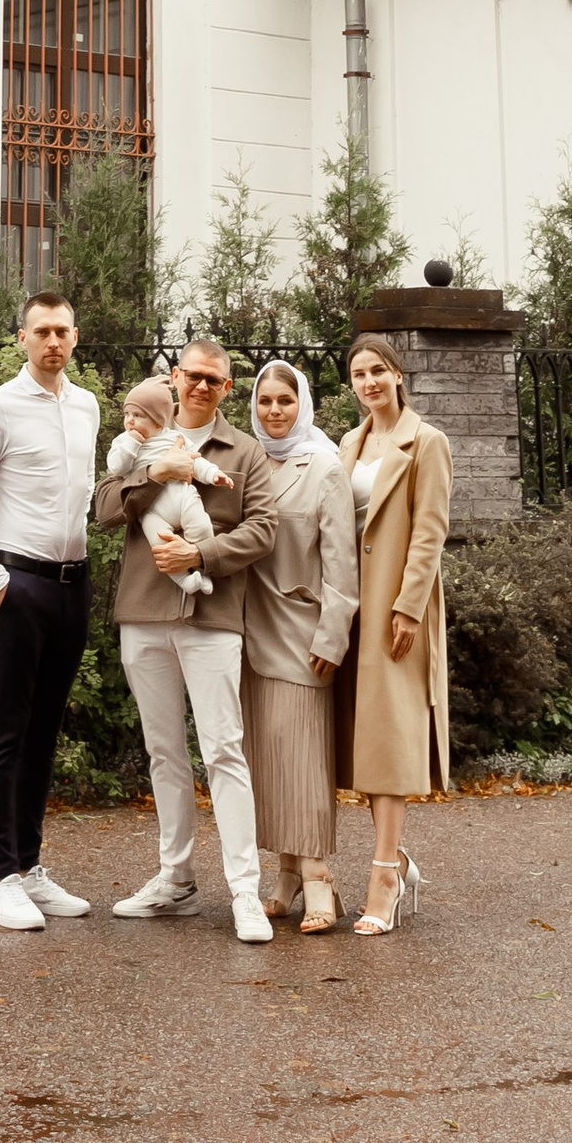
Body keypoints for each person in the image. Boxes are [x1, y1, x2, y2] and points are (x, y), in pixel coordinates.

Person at [94, 336, 279, 943]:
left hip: (212, 618)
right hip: (144, 615)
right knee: (164, 752)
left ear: (227, 388)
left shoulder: (244, 452)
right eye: (193, 375)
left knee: (224, 751)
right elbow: (104, 507)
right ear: (174, 377)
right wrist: (157, 474)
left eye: (213, 380)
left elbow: (264, 530)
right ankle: (175, 881)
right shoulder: (143, 432)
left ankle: (245, 891)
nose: (201, 386)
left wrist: (201, 554)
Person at [0, 285, 102, 933]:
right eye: (42, 332)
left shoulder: (87, 406)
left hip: (73, 586)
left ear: (75, 337)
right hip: (19, 587)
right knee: (5, 733)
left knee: (44, 733)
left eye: (62, 331)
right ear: (22, 339)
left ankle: (30, 866)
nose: (53, 341)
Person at [337, 332, 453, 935]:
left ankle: (384, 874)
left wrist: (408, 607)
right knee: (361, 742)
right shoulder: (348, 443)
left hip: (395, 605)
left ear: (398, 374)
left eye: (378, 370)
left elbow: (431, 530)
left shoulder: (426, 441)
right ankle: (398, 861)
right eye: (359, 374)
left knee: (386, 738)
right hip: (350, 605)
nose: (370, 382)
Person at [237, 359, 357, 933]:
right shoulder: (247, 460)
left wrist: (333, 635)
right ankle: (285, 876)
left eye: (285, 400)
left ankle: (318, 877)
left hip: (303, 631)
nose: (274, 411)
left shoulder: (324, 466)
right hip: (247, 629)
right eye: (265, 401)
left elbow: (341, 560)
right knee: (270, 760)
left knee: (304, 758)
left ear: (302, 404)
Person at [104, 377, 220, 615]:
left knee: (202, 526)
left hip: (182, 496)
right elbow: (117, 469)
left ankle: (203, 571)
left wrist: (213, 474)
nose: (130, 420)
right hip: (152, 510)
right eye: (127, 414)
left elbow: (195, 461)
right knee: (160, 545)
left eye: (138, 415)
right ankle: (185, 580)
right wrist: (132, 444)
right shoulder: (123, 442)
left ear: (158, 421)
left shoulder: (173, 439)